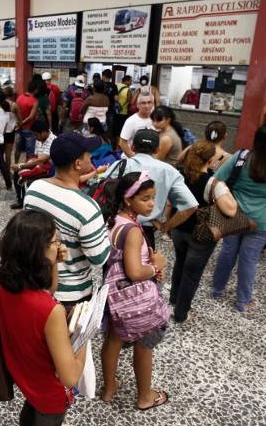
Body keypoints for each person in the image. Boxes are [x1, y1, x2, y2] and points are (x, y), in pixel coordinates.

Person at [0, 209, 87, 426]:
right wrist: (85, 334)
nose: (59, 246)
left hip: (25, 376)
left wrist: (53, 263)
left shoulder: (6, 285)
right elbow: (70, 377)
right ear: (37, 251)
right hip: (50, 395)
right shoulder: (51, 312)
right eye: (54, 242)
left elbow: (48, 291)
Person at [100, 171, 169, 410]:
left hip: (115, 294)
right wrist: (155, 266)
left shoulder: (116, 220)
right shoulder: (134, 230)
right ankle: (145, 397)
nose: (151, 203)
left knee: (113, 340)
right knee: (145, 343)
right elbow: (135, 272)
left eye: (153, 197)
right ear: (128, 200)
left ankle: (108, 389)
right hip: (135, 298)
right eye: (145, 198)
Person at [211, 125, 266, 312]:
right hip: (263, 221)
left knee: (227, 252)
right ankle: (243, 301)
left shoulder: (241, 157)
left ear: (256, 140)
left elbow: (218, 179)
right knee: (249, 260)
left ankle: (217, 289)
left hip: (235, 214)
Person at [24, 132, 110, 310]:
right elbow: (99, 258)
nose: (91, 157)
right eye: (88, 155)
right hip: (71, 294)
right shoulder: (87, 207)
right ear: (78, 164)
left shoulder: (34, 189)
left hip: (35, 280)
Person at [169, 142, 237, 323]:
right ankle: (181, 313)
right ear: (211, 160)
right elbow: (230, 210)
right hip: (200, 235)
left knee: (180, 263)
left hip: (178, 229)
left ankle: (173, 300)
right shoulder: (213, 183)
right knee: (192, 274)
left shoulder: (179, 175)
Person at [111, 129, 198, 250]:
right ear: (157, 149)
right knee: (143, 265)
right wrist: (166, 226)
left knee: (113, 266)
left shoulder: (120, 165)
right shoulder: (169, 171)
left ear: (133, 147)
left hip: (117, 226)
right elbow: (191, 205)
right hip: (145, 231)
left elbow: (102, 190)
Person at [11, 120, 56, 209]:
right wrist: (25, 164)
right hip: (38, 166)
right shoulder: (39, 139)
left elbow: (41, 160)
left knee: (27, 177)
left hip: (48, 170)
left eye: (36, 135)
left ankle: (32, 204)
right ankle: (21, 200)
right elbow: (35, 156)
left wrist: (21, 165)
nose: (35, 137)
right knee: (18, 173)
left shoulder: (53, 141)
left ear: (43, 132)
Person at [119, 92, 155, 157]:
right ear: (137, 105)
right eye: (143, 103)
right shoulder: (131, 121)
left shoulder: (156, 120)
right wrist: (134, 158)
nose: (147, 106)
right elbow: (122, 143)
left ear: (153, 104)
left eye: (149, 102)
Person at [15, 80, 39, 162]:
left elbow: (15, 111)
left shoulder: (20, 97)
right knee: (30, 152)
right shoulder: (35, 101)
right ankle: (28, 170)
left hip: (19, 128)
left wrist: (19, 123)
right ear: (36, 90)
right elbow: (31, 117)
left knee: (18, 149)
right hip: (29, 128)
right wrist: (23, 122)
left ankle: (15, 166)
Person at [2, 86, 18, 169]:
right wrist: (17, 123)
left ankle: (2, 169)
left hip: (1, 131)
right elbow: (20, 120)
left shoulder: (0, 104)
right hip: (11, 131)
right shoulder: (14, 105)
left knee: (0, 153)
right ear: (12, 95)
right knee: (8, 154)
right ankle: (7, 171)